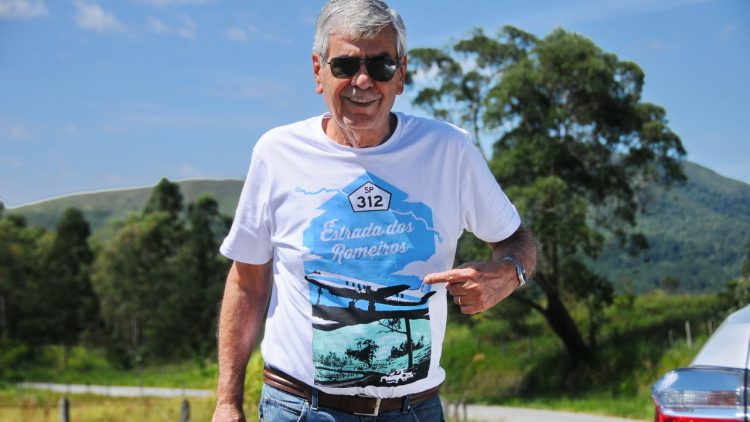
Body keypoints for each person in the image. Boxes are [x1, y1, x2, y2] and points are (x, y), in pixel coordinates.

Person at [212, 0, 537, 420]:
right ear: (318, 71)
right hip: (299, 407)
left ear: (401, 74)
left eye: (381, 65)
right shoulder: (277, 153)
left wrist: (510, 273)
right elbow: (248, 281)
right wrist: (227, 402)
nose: (363, 81)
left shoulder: (449, 150)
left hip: (413, 409)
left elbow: (516, 239)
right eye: (345, 65)